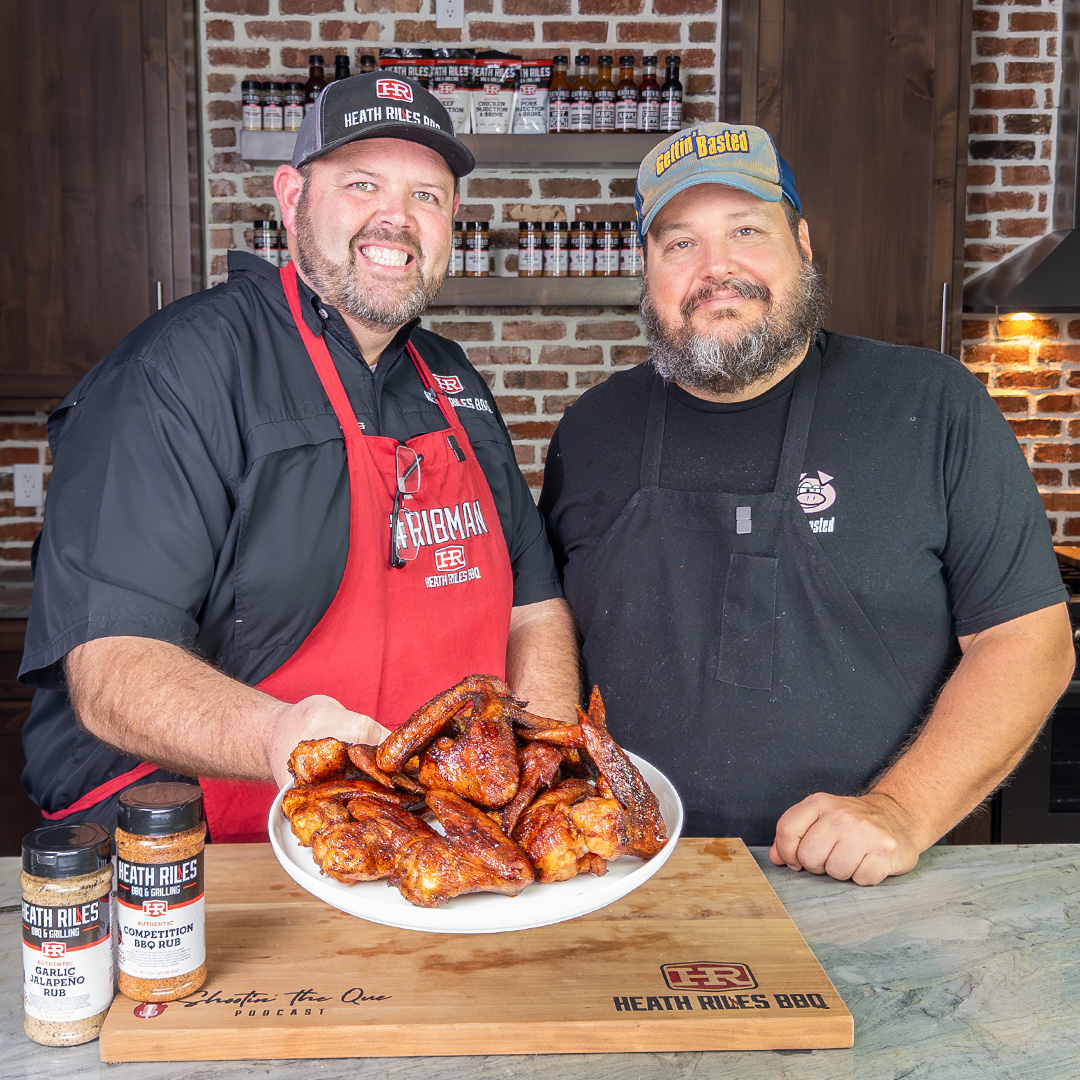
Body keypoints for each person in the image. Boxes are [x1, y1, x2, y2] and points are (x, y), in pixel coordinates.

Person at [20, 74, 579, 842]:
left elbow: (536, 606)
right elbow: (113, 667)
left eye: (427, 195)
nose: (397, 218)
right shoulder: (178, 372)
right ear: (291, 198)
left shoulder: (453, 381)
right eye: (361, 183)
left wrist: (532, 780)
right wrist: (285, 738)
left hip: (435, 842)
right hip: (213, 848)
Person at [539, 122, 1075, 885]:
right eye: (679, 243)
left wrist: (901, 811)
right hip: (619, 876)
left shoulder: (930, 405)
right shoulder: (591, 428)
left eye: (747, 230)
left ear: (804, 243)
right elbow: (547, 629)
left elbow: (1029, 643)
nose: (716, 269)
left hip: (869, 881)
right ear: (648, 270)